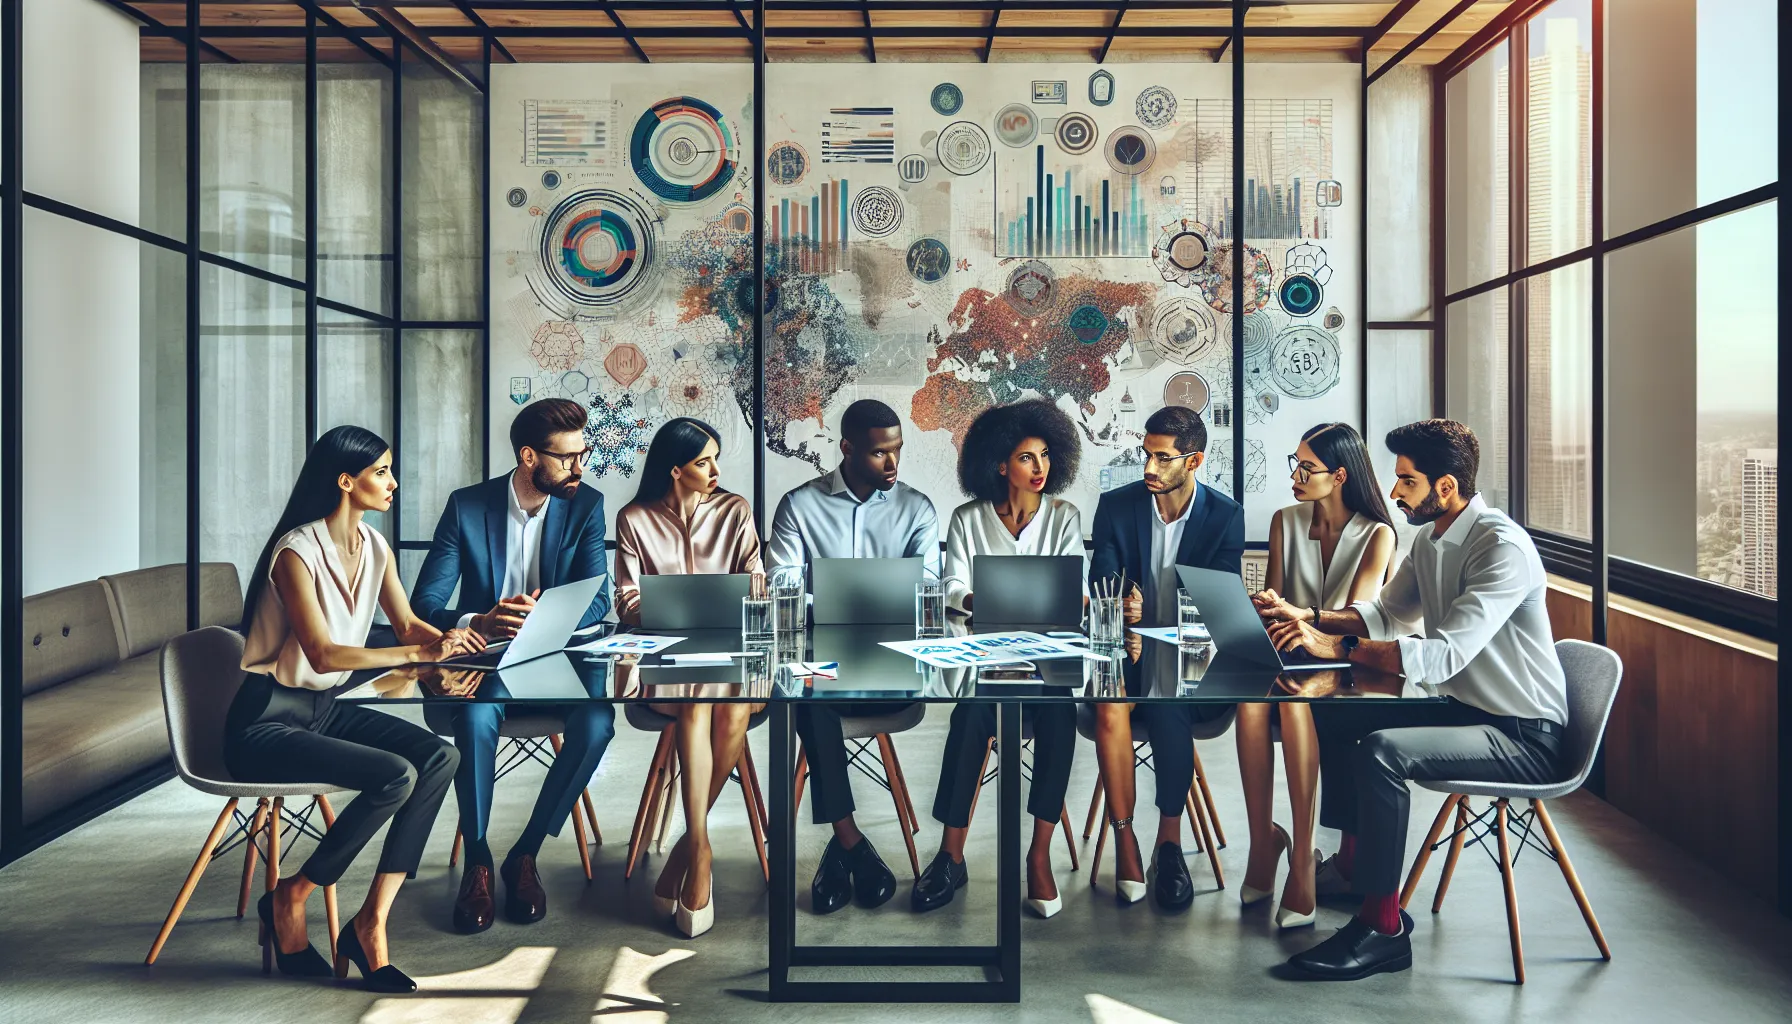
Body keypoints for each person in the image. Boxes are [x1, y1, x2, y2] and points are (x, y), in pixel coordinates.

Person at [1255, 419, 1567, 981]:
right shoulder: (1431, 538)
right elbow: (1385, 613)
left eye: (1406, 481)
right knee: (1337, 707)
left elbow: (1443, 656)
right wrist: (1313, 617)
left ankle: (1383, 927)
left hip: (1522, 733)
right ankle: (1354, 867)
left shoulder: (1501, 547)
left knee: (1380, 751)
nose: (1394, 491)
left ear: (1444, 488)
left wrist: (1339, 645)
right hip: (1466, 711)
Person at [226, 425, 484, 992]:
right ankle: (293, 895)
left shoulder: (375, 546)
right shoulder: (295, 552)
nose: (394, 482)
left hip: (323, 708)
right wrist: (419, 651)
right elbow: (321, 652)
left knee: (439, 758)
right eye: (382, 472)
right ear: (347, 481)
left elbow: (411, 624)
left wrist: (457, 643)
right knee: (394, 776)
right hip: (265, 721)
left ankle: (371, 922)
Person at [411, 398, 614, 934]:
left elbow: (598, 600)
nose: (580, 466)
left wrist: (544, 618)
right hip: (483, 663)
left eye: (583, 453)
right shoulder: (466, 506)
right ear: (529, 456)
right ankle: (477, 857)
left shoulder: (586, 505)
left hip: (555, 659)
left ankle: (524, 854)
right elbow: (425, 602)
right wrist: (482, 619)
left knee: (598, 723)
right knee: (476, 719)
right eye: (568, 457)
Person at [768, 400, 939, 915]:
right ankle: (850, 839)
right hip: (825, 661)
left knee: (812, 697)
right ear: (846, 448)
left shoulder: (918, 508)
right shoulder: (799, 505)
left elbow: (926, 590)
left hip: (892, 663)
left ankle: (843, 853)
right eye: (879, 453)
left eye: (897, 451)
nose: (892, 464)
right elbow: (782, 588)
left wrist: (835, 594)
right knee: (804, 692)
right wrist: (850, 600)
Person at [914, 399, 1083, 919]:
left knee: (1060, 717)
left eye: (1045, 456)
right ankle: (951, 854)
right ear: (999, 463)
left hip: (1046, 661)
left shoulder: (1063, 517)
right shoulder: (969, 518)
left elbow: (1070, 586)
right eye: (1027, 458)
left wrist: (1019, 602)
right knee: (969, 718)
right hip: (984, 658)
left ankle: (1039, 855)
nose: (1040, 469)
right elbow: (953, 586)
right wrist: (975, 601)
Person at [1236, 423, 1396, 930]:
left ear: (1341, 475)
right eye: (1295, 464)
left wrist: (1300, 616)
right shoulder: (1286, 521)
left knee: (1295, 703)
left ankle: (1302, 856)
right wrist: (1263, 610)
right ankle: (1264, 841)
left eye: (1308, 468)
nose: (1297, 475)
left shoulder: (1378, 534)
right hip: (1291, 658)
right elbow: (1276, 604)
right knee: (1250, 703)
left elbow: (1361, 614)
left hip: (1348, 666)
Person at [1086, 405, 1244, 911]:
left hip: (1188, 655)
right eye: (1145, 455)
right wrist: (1121, 602)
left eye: (1162, 458)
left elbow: (1220, 600)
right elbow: (1103, 581)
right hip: (1123, 651)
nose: (1149, 468)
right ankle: (1125, 839)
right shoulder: (1116, 505)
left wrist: (1158, 615)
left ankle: (1168, 842)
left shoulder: (1225, 516)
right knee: (1113, 702)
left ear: (1193, 461)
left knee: (1171, 696)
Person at [615, 417, 766, 938]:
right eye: (704, 462)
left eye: (716, 459)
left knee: (729, 701)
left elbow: (757, 579)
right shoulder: (634, 518)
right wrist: (663, 611)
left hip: (735, 659)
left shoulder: (734, 510)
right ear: (675, 469)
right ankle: (699, 851)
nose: (716, 471)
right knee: (700, 702)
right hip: (666, 667)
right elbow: (627, 599)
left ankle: (689, 845)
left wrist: (741, 598)